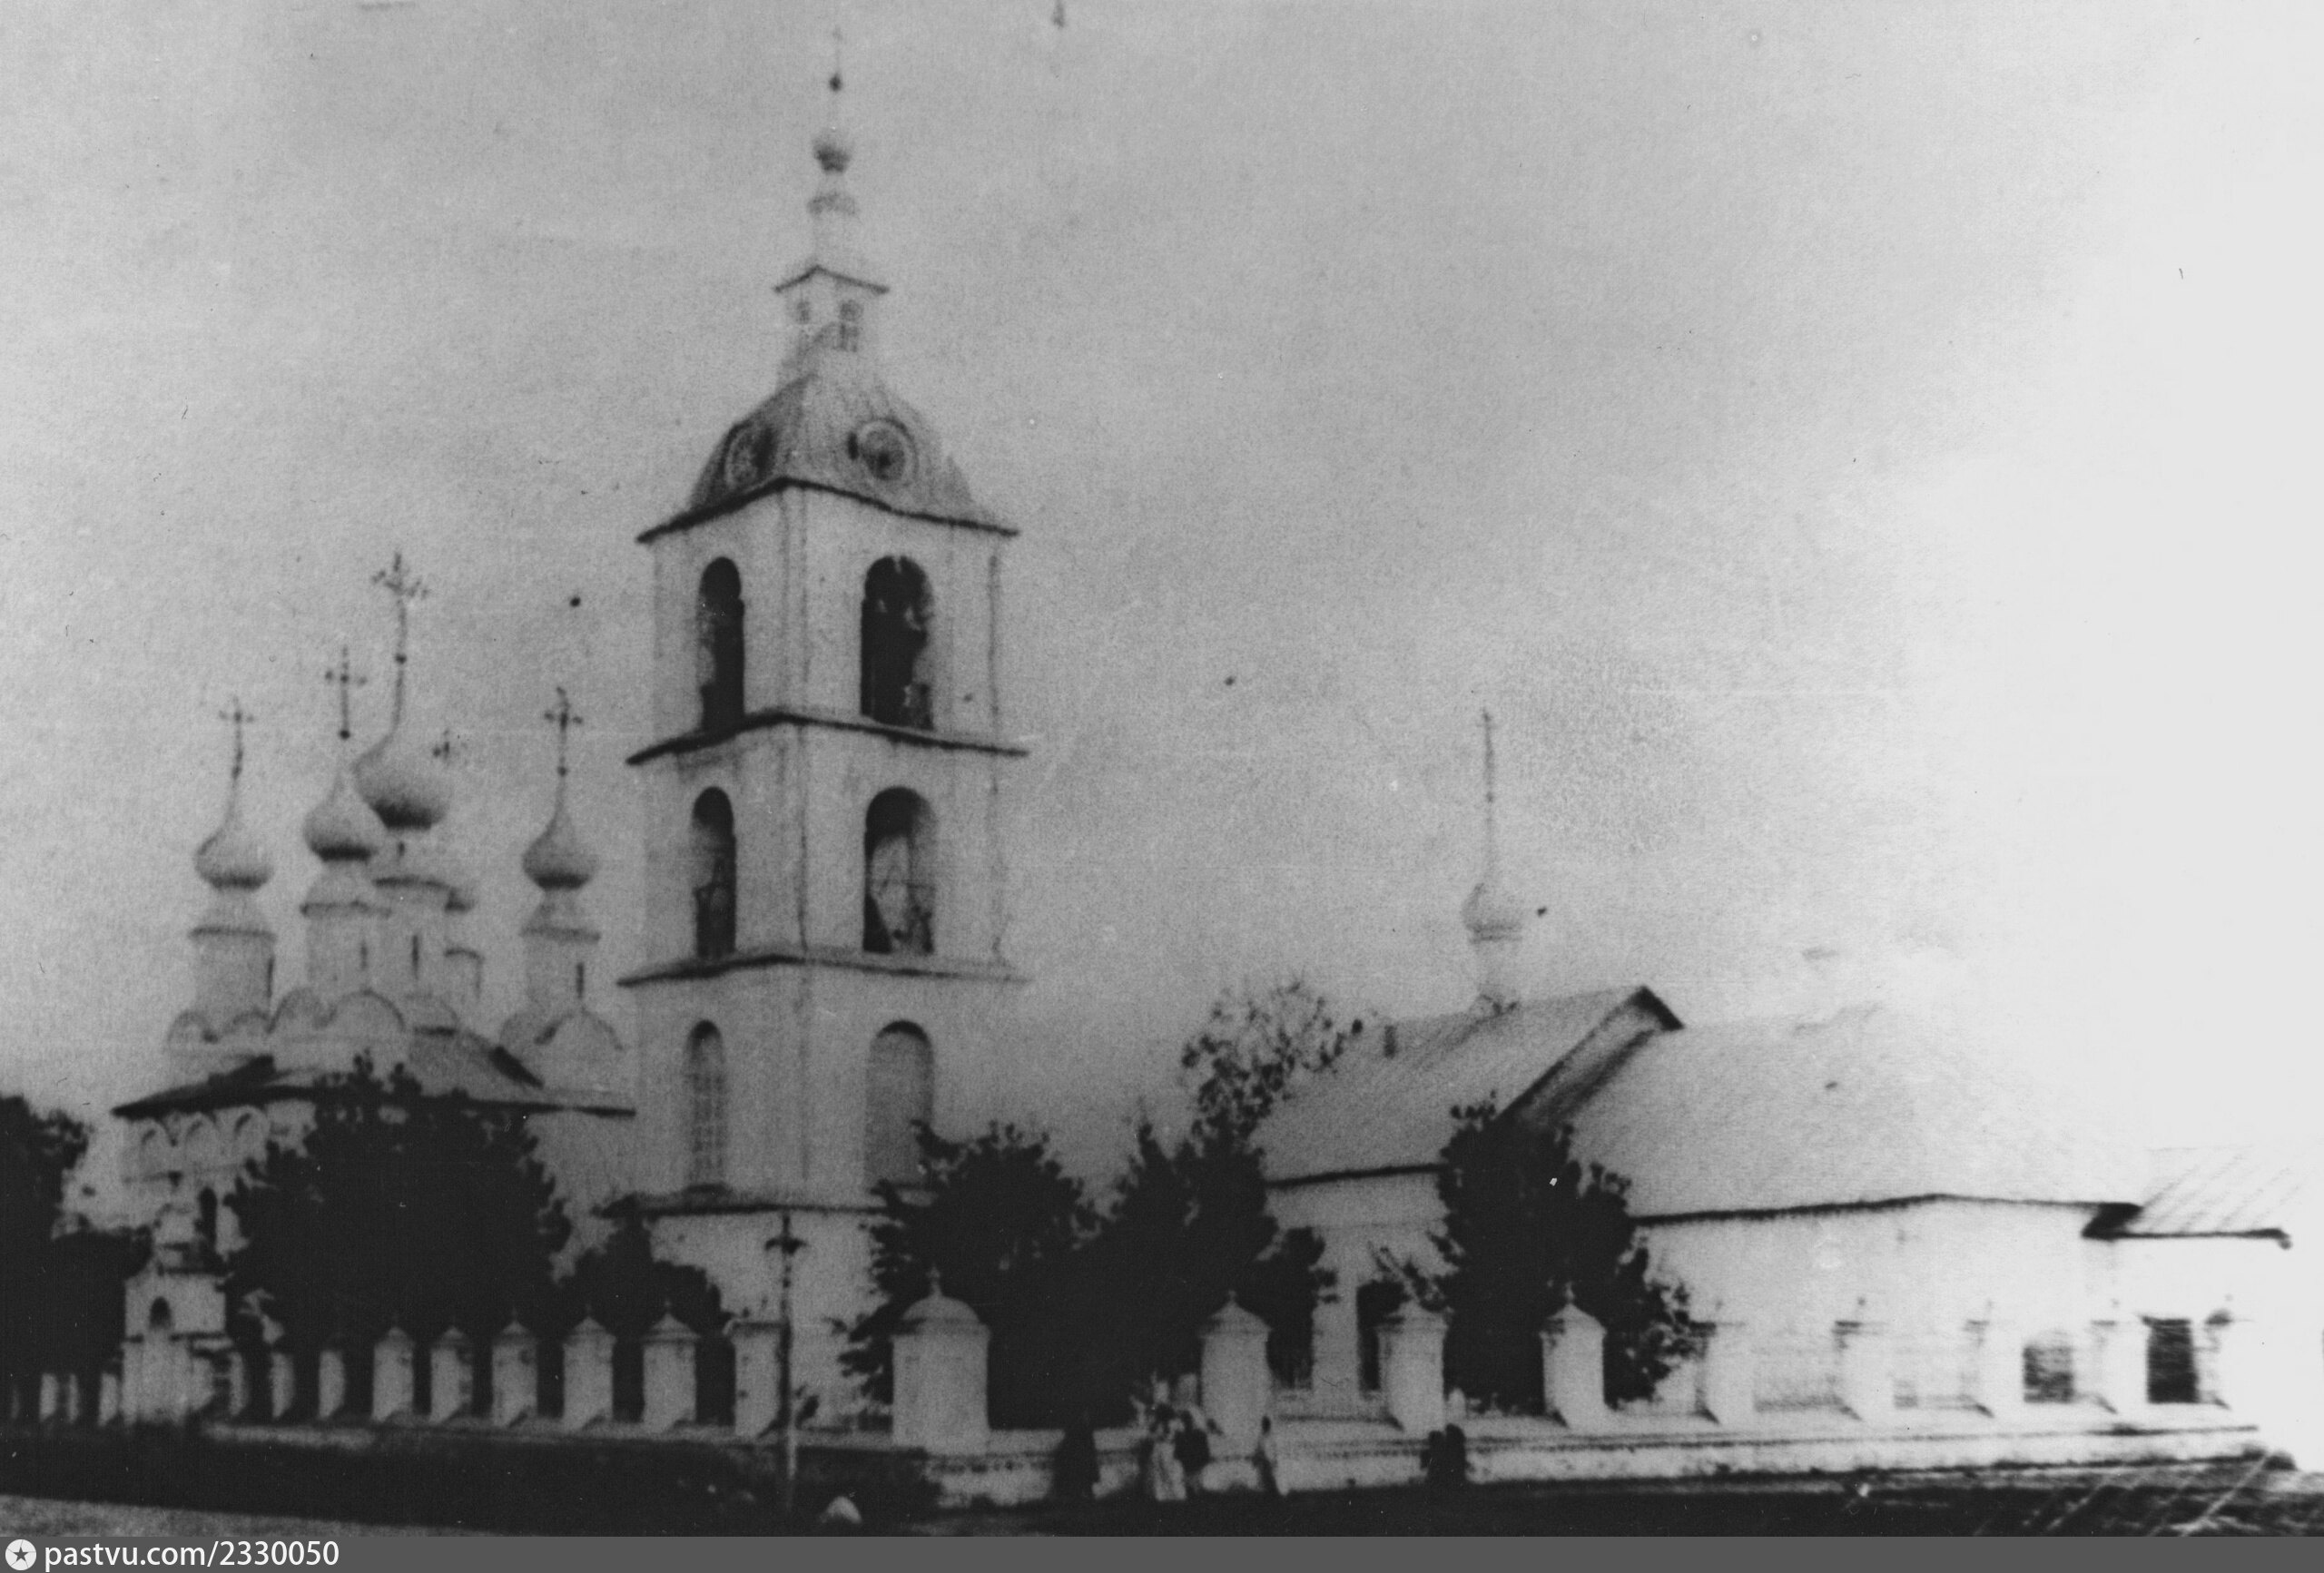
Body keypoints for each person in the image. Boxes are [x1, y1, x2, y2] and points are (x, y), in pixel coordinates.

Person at [1172, 1403, 1214, 1495]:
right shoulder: (1180, 1436)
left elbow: (1205, 1453)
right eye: (1185, 1419)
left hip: (1197, 1468)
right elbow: (1177, 1453)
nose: (1187, 1422)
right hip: (1186, 1468)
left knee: (1196, 1488)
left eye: (1188, 1419)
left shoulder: (1200, 1435)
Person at [1253, 1414, 1285, 1499]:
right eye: (1263, 1424)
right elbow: (1259, 1449)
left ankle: (1272, 1496)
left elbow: (1266, 1450)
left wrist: (1257, 1459)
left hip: (1266, 1462)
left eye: (1264, 1424)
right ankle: (1271, 1496)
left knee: (1267, 1480)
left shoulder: (1267, 1436)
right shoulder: (1263, 1436)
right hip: (1265, 1462)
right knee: (1266, 1480)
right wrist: (1256, 1459)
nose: (1263, 1426)